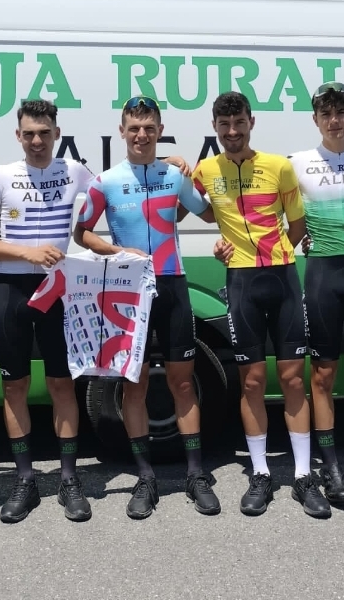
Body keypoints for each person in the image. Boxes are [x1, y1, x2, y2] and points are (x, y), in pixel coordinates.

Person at [214, 82, 344, 505]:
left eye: (341, 112)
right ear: (315, 119)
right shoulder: (296, 162)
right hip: (321, 276)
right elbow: (260, 211)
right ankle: (330, 468)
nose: (334, 121)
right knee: (321, 375)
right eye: (326, 114)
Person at [73, 95, 222, 520]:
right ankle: (145, 477)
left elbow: (209, 214)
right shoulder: (106, 181)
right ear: (122, 132)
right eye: (134, 128)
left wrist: (196, 173)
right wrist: (115, 251)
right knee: (134, 385)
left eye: (149, 128)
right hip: (130, 289)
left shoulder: (173, 175)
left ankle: (195, 474)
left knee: (182, 383)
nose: (141, 135)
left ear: (160, 132)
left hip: (173, 285)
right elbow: (82, 232)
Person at [192, 91, 330, 519]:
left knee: (292, 379)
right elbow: (198, 212)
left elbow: (297, 223)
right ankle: (260, 473)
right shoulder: (205, 170)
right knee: (251, 382)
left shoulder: (278, 166)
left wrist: (275, 254)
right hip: (240, 283)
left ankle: (304, 475)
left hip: (282, 278)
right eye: (224, 125)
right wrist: (221, 244)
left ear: (251, 122)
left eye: (239, 123)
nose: (232, 132)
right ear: (215, 127)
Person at [0, 99, 97, 523]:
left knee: (62, 385)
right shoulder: (1, 176)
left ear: (57, 134)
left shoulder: (76, 171)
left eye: (44, 133)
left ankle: (69, 479)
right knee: (15, 387)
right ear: (18, 136)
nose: (37, 141)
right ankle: (25, 479)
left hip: (59, 291)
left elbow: (116, 186)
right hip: (11, 290)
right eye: (29, 134)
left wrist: (170, 162)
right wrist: (28, 252)